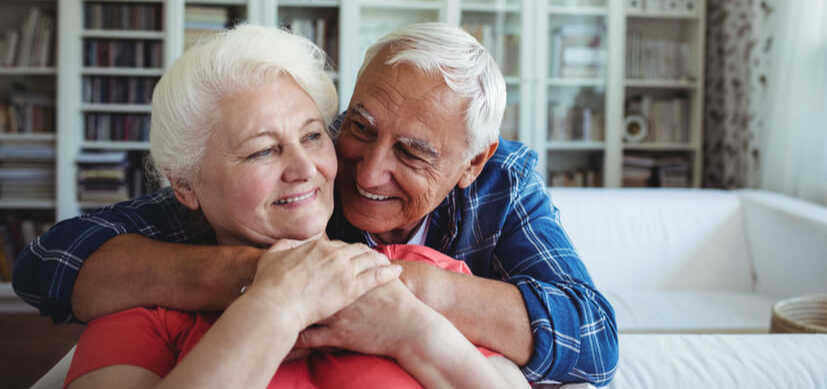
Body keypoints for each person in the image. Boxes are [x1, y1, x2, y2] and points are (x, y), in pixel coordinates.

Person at [14, 22, 617, 385]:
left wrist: (409, 295)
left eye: (412, 153)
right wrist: (276, 279)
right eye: (359, 125)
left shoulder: (499, 184)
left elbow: (593, 337)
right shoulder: (267, 189)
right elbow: (51, 260)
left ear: (471, 164)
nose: (366, 169)